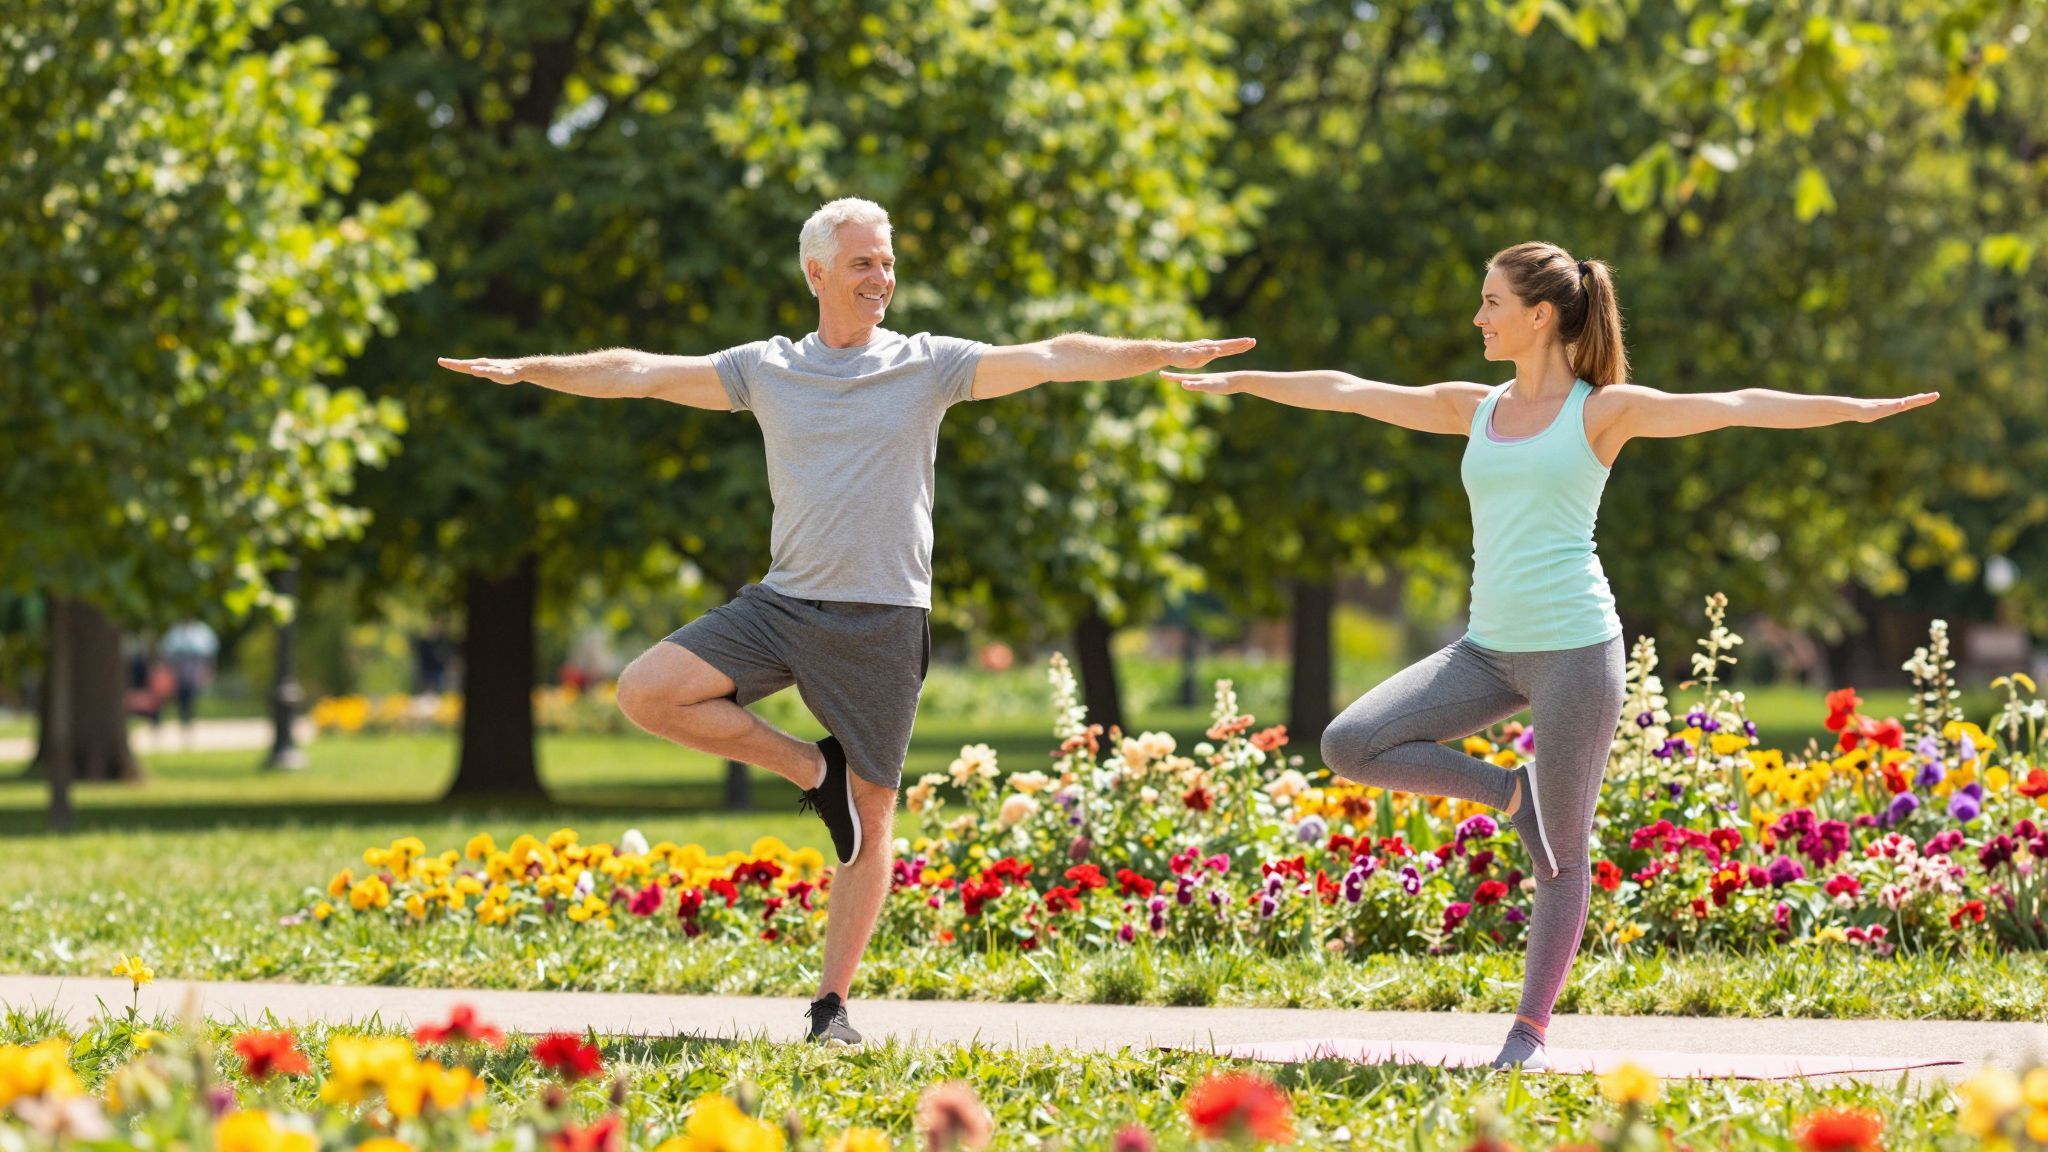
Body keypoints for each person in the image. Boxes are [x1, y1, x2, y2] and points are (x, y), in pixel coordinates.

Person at [438, 197, 1251, 1046]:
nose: (883, 278)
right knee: (648, 692)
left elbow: (1052, 357)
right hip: (782, 604)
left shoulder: (929, 364)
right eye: (864, 263)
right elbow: (639, 370)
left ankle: (831, 1008)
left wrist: (1159, 352)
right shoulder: (766, 368)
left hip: (883, 616)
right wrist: (529, 367)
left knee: (873, 812)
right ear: (816, 272)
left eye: (889, 262)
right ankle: (806, 772)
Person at [1164, 240, 1936, 1070]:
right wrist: (1245, 381)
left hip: (1576, 650)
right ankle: (1511, 795)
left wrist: (1853, 410)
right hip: (1486, 651)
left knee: (1563, 855)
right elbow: (1353, 394)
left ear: (1540, 315)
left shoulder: (1602, 411)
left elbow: (1737, 403)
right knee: (1349, 744)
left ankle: (1526, 1035)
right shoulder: (1478, 405)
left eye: (1491, 302)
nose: (1477, 317)